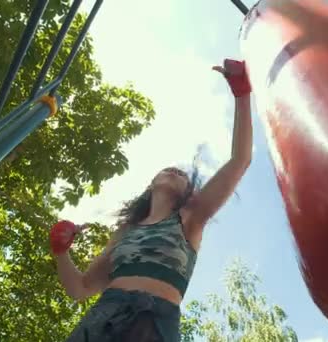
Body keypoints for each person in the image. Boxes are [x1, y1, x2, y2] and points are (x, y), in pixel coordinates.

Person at [50, 58, 253, 342]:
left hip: (154, 325)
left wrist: (242, 92)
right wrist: (60, 251)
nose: (174, 171)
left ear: (189, 192)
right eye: (167, 169)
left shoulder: (190, 220)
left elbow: (240, 159)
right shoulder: (126, 231)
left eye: (182, 174)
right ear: (151, 185)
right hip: (102, 319)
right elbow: (81, 289)